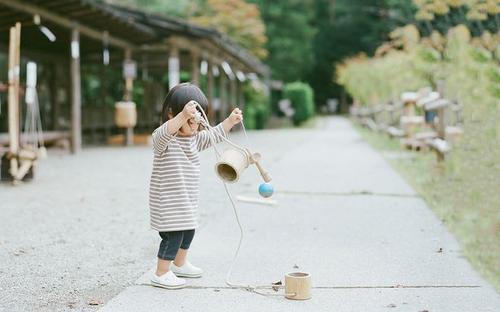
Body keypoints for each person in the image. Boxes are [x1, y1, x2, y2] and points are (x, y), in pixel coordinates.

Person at [149, 82, 243, 289]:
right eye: (190, 122)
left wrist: (229, 121)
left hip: (186, 201)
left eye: (197, 123)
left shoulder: (193, 139)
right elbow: (162, 134)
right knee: (173, 235)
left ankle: (179, 263)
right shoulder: (164, 139)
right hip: (168, 201)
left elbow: (213, 135)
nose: (195, 127)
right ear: (171, 114)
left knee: (189, 231)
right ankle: (161, 272)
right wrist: (183, 116)